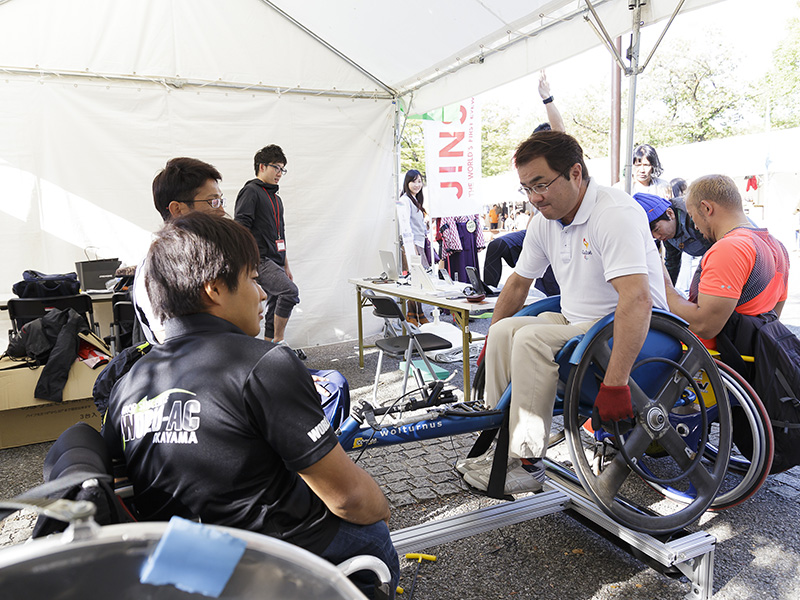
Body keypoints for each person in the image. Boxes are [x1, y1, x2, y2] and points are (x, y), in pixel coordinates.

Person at [103, 213, 398, 598]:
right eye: (253, 279)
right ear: (213, 289)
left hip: (181, 565)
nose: (262, 295)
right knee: (373, 529)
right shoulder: (263, 363)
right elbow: (349, 499)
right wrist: (382, 508)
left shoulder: (129, 383)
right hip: (265, 560)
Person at [458, 130, 667, 495]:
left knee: (531, 339)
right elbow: (517, 284)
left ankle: (527, 463)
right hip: (579, 321)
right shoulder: (545, 220)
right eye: (526, 188)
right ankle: (500, 446)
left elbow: (636, 300)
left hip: (635, 330)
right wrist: (490, 340)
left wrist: (616, 384)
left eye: (541, 185)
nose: (534, 198)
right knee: (505, 332)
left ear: (575, 173)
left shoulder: (612, 214)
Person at [662, 174, 789, 350]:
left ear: (706, 208)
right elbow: (774, 313)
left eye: (692, 216)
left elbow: (705, 326)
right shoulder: (777, 246)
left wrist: (665, 287)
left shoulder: (730, 248)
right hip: (748, 356)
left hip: (711, 359)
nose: (695, 226)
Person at [133, 157, 227, 344]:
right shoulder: (156, 268)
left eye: (221, 200)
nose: (222, 211)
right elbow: (169, 341)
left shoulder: (211, 254)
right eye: (213, 201)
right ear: (177, 209)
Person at [234, 145, 300, 349]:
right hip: (259, 259)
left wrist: (286, 265)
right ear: (262, 166)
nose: (280, 173)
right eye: (276, 167)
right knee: (289, 292)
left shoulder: (276, 199)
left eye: (282, 169)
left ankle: (269, 346)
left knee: (276, 300)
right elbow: (241, 227)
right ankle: (279, 341)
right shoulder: (251, 191)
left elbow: (281, 234)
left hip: (277, 258)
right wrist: (246, 263)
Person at [633, 192, 712, 285]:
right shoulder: (667, 234)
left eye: (657, 229)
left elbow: (712, 252)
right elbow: (672, 264)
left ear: (670, 214)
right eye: (652, 236)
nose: (657, 237)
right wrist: (667, 288)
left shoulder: (693, 217)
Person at [396, 169, 431, 325]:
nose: (417, 185)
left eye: (419, 181)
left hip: (419, 243)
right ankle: (413, 314)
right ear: (407, 183)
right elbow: (405, 226)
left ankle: (418, 313)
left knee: (419, 280)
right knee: (415, 280)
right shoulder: (405, 200)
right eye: (414, 181)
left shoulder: (415, 200)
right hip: (412, 245)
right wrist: (412, 248)